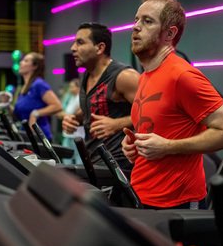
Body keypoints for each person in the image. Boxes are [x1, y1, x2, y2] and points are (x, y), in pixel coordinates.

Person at [122, 0, 223, 209]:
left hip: (177, 203)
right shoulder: (145, 77)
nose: (136, 27)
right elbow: (160, 131)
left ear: (169, 33)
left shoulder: (182, 76)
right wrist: (135, 147)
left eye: (147, 21)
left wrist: (167, 146)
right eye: (136, 20)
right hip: (142, 194)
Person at [62, 22, 140, 172]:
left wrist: (117, 124)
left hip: (121, 166)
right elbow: (93, 109)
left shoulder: (124, 77)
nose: (73, 48)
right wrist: (74, 119)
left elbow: (153, 115)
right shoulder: (87, 75)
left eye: (80, 42)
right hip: (95, 160)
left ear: (100, 48)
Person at [13, 52, 62, 140]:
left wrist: (36, 113)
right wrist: (6, 104)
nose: (21, 62)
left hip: (40, 137)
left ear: (34, 66)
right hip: (26, 135)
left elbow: (57, 106)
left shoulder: (39, 84)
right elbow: (18, 113)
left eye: (26, 61)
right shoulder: (24, 87)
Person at [59, 78, 84, 165]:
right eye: (70, 87)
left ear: (78, 88)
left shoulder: (81, 98)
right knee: (66, 158)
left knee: (79, 158)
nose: (70, 89)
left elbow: (74, 115)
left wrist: (65, 115)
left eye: (72, 87)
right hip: (67, 134)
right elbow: (60, 112)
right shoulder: (70, 97)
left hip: (78, 134)